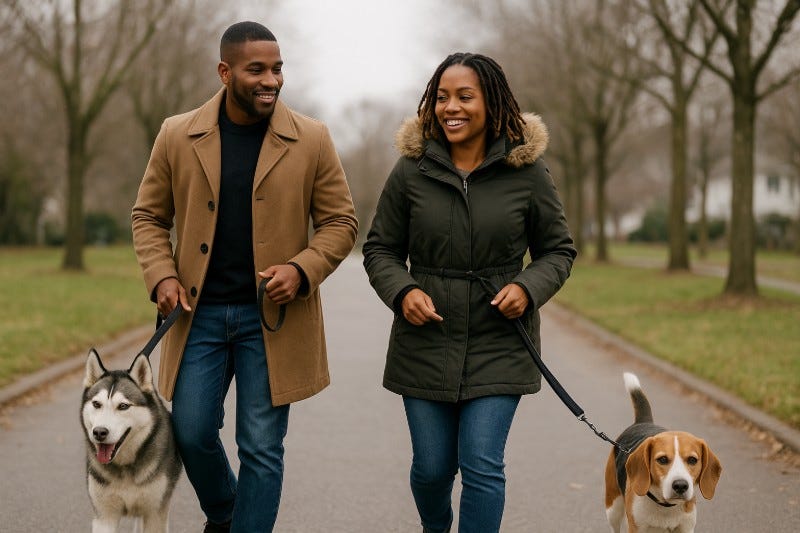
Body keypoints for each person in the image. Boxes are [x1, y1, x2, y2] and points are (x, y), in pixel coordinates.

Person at [131, 21, 357, 533]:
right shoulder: (176, 133)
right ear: (225, 71)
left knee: (260, 446)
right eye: (257, 69)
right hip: (198, 316)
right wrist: (161, 275)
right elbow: (147, 215)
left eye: (278, 69)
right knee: (190, 432)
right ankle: (229, 514)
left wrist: (301, 270)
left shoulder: (312, 138)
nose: (271, 80)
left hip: (272, 321)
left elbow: (342, 222)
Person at [362, 52, 576, 533]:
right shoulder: (410, 172)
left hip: (499, 340)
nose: (450, 107)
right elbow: (379, 250)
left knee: (482, 465)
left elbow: (558, 251)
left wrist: (527, 286)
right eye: (441, 98)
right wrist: (402, 293)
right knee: (432, 470)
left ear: (493, 104)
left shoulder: (528, 173)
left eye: (464, 96)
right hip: (425, 341)